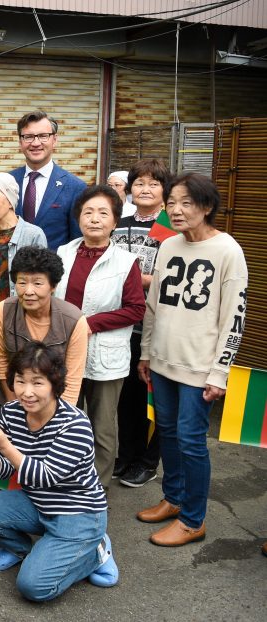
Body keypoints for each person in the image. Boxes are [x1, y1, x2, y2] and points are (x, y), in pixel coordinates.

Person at [137, 173, 247, 547]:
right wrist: (147, 352)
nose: (176, 210)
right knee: (167, 433)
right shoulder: (168, 247)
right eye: (172, 203)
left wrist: (220, 372)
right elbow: (153, 308)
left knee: (191, 440)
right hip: (164, 361)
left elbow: (235, 316)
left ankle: (193, 518)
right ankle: (174, 497)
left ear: (206, 207)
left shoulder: (228, 250)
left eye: (186, 203)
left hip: (199, 368)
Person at [0, 342, 117, 602]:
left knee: (33, 587)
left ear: (55, 384)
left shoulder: (75, 424)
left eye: (37, 383)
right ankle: (21, 550)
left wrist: (2, 442)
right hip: (38, 503)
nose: (27, 392)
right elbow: (4, 470)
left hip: (78, 514)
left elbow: (43, 476)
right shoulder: (12, 412)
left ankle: (96, 550)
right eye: (20, 381)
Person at [55, 185, 144, 486]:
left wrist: (90, 323)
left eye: (103, 213)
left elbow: (135, 309)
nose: (94, 218)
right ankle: (64, 482)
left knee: (102, 427)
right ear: (78, 217)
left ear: (115, 221)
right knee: (63, 422)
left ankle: (98, 488)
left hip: (105, 355)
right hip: (64, 353)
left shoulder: (125, 261)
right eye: (88, 212)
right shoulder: (63, 253)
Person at [110, 158, 171, 487]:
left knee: (158, 396)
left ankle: (149, 461)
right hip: (124, 324)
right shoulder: (118, 222)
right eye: (139, 183)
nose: (145, 189)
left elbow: (168, 276)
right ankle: (127, 454)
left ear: (165, 190)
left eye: (153, 184)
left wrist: (135, 278)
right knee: (127, 395)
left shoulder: (170, 225)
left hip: (158, 324)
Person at [0, 172, 47, 421]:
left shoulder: (32, 235)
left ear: (9, 200)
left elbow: (40, 283)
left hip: (20, 323)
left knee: (22, 383)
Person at [0, 246, 88, 405]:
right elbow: (1, 366)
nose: (28, 291)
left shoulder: (74, 320)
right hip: (16, 401)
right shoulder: (2, 311)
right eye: (22, 282)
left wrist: (56, 420)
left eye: (37, 283)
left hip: (57, 407)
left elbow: (72, 380)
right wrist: (14, 410)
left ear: (53, 286)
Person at [10, 110, 87, 249]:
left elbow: (77, 240)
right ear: (20, 141)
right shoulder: (8, 181)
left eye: (43, 136)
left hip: (53, 268)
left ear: (54, 140)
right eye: (28, 137)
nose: (35, 143)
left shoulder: (75, 187)